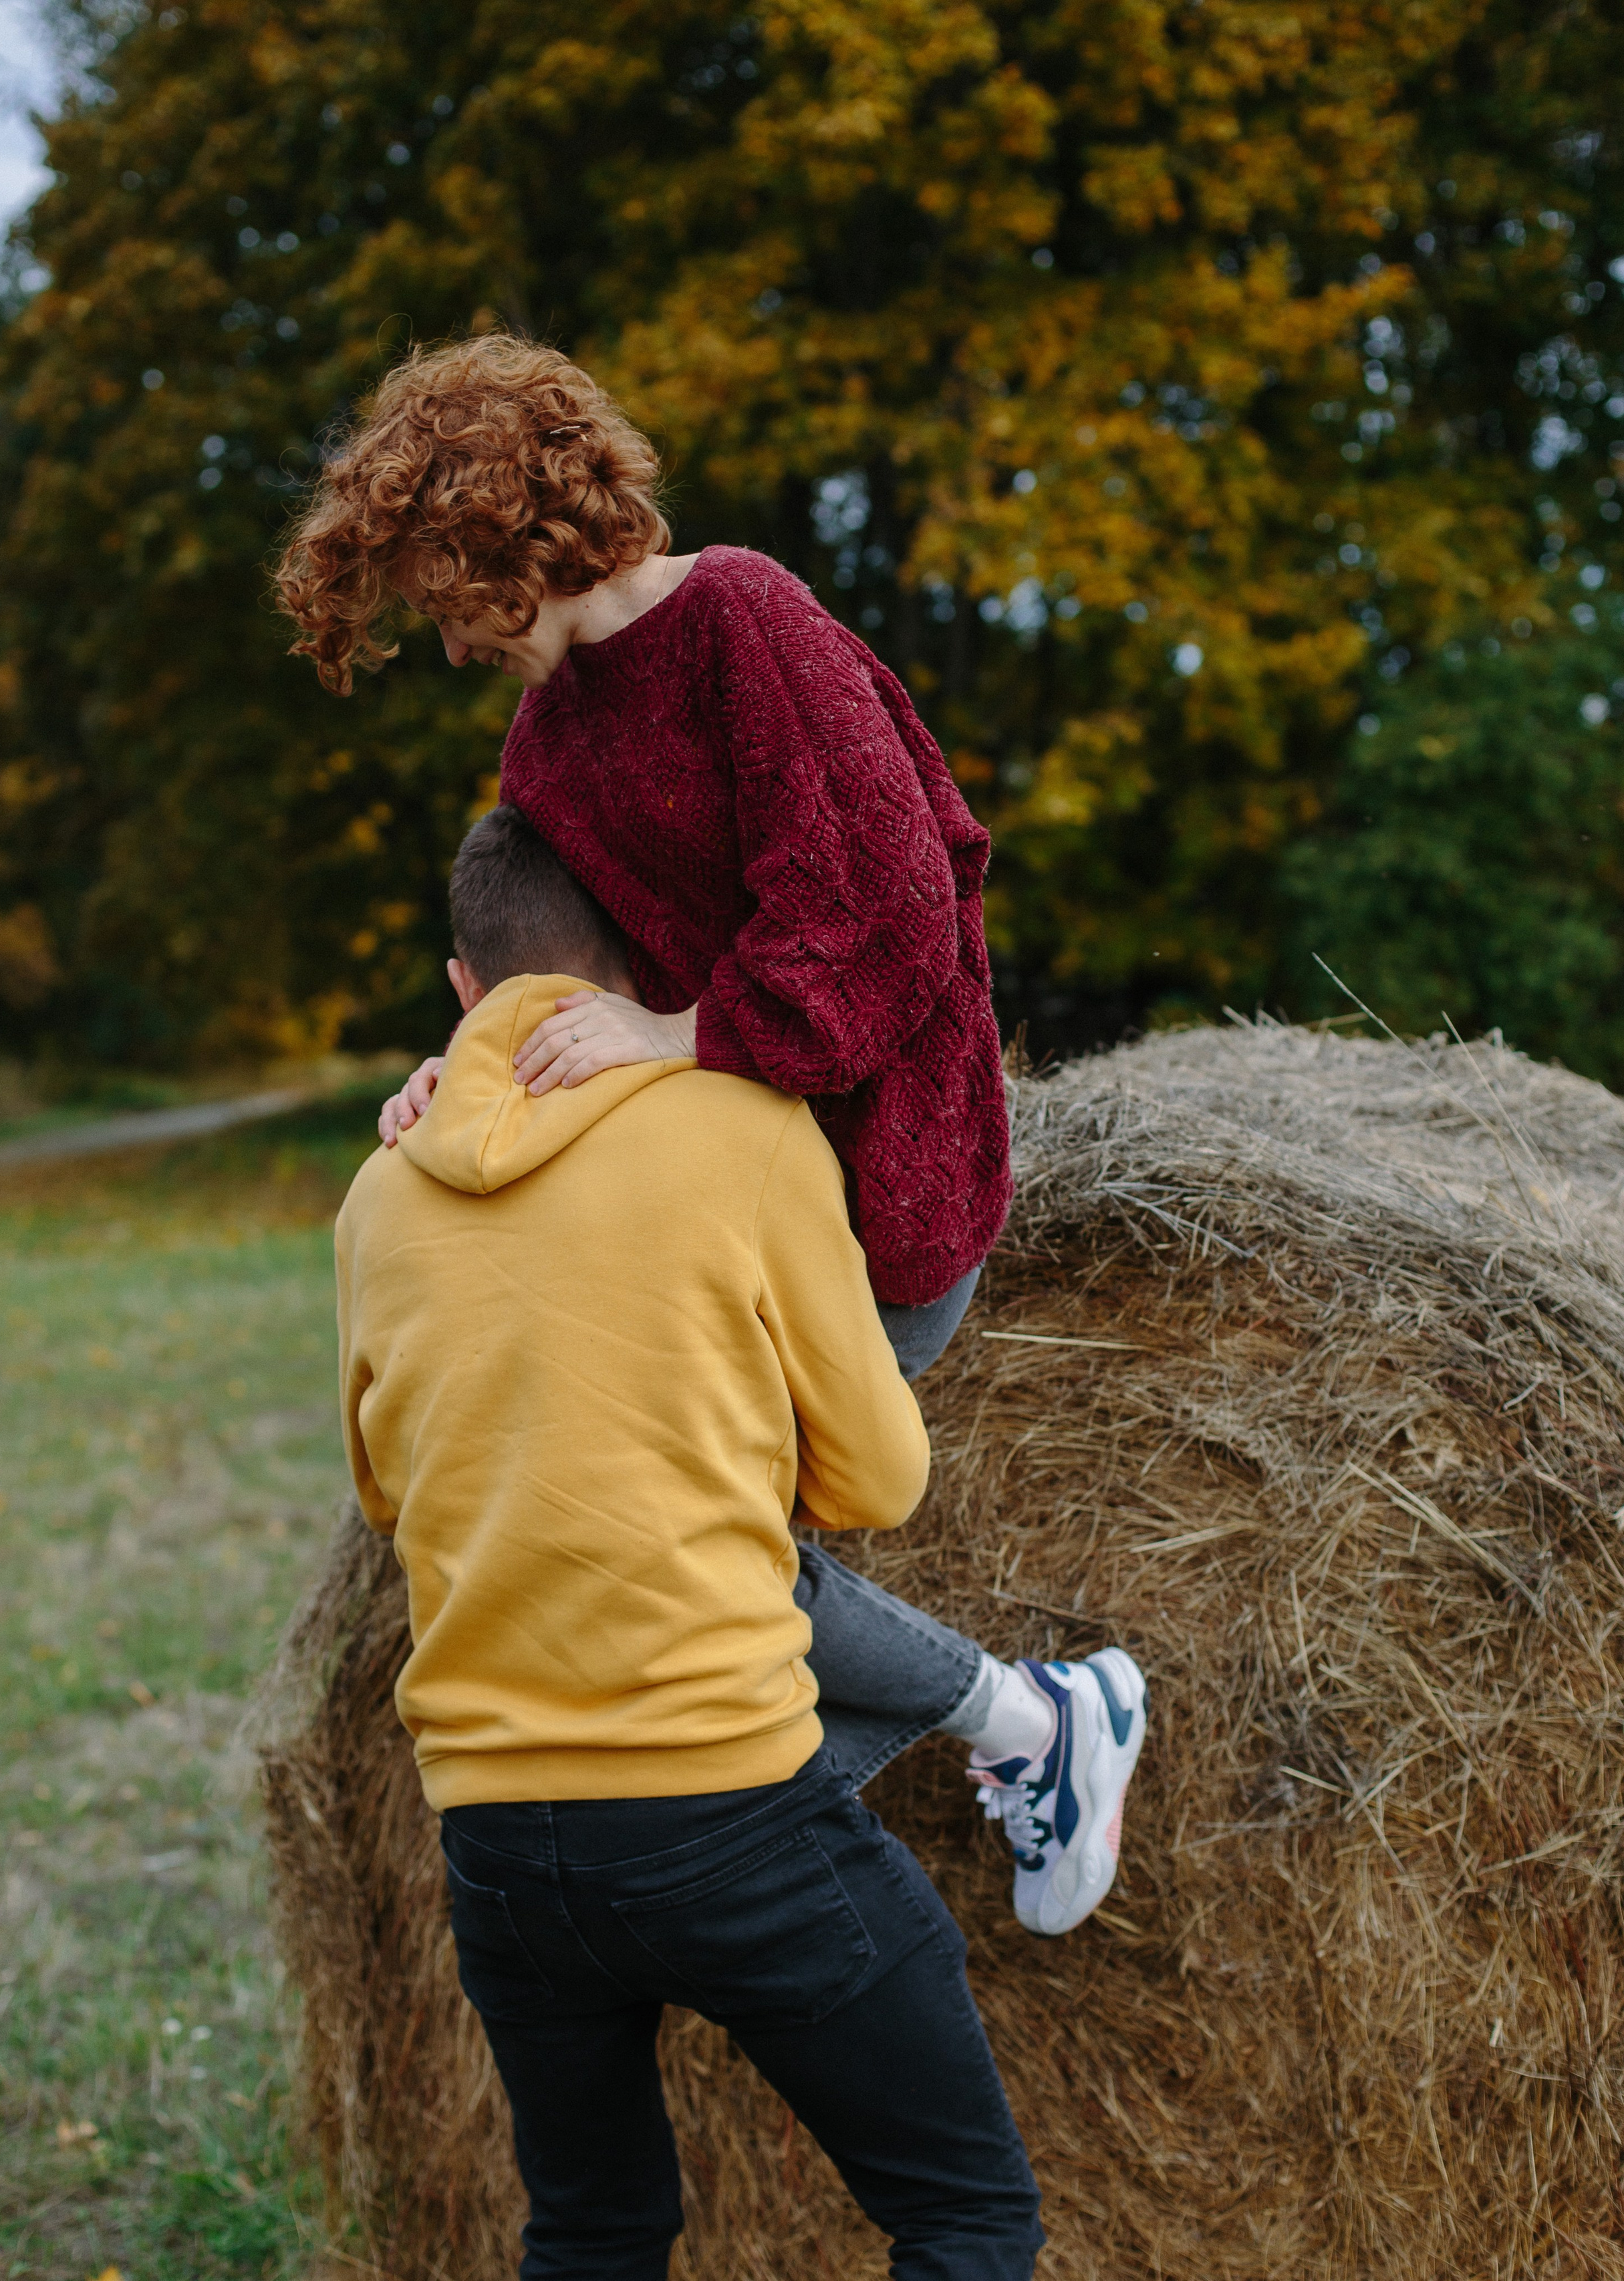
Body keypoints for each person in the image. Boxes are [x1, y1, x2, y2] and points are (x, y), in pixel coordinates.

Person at [279, 331, 1147, 1939]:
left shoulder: (744, 618)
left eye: (439, 593)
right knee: (646, 1546)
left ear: (500, 539)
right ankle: (888, 1786)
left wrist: (689, 1036)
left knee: (699, 1555)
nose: (453, 643)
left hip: (875, 1195)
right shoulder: (546, 746)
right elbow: (565, 988)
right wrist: (459, 1069)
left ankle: (1037, 1724)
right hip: (718, 1206)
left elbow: (894, 909)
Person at [334, 806, 1046, 2276]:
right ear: (649, 967)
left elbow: (386, 1494)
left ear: (463, 992)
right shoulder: (739, 1132)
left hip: (497, 1850)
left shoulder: (376, 1195)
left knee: (595, 2230)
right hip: (722, 1810)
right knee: (966, 2221)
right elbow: (877, 1480)